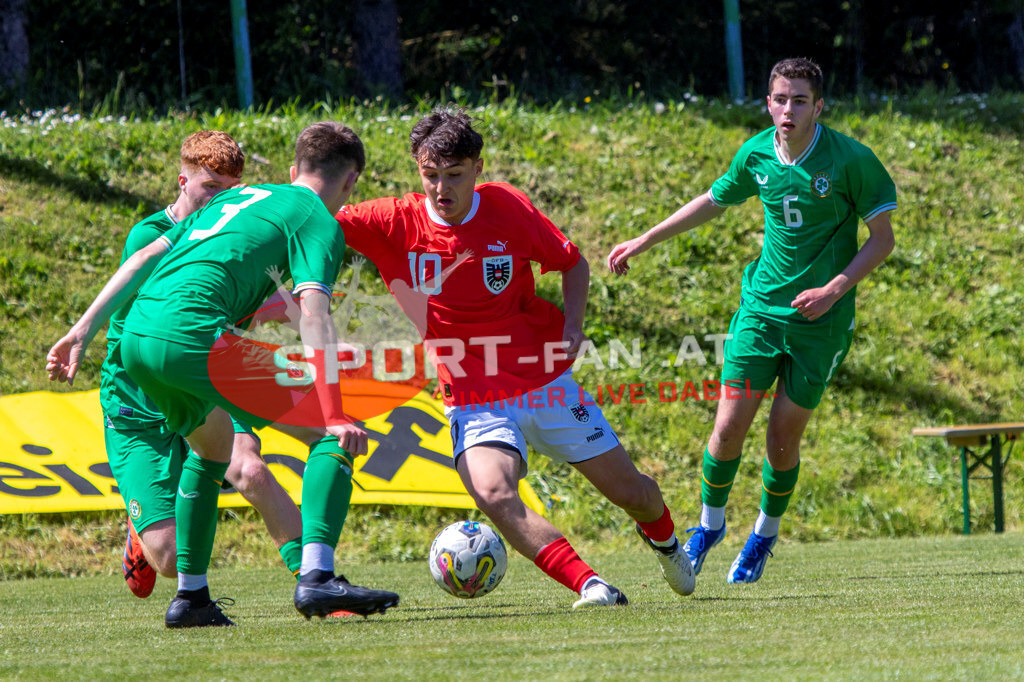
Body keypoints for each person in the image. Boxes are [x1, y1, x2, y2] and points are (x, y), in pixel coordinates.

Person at [337, 105, 695, 609]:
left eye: (454, 175)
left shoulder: (506, 207)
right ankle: (592, 587)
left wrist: (572, 325)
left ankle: (666, 543)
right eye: (430, 175)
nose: (442, 188)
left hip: (545, 382)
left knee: (634, 493)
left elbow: (572, 263)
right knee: (494, 494)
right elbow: (312, 214)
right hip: (474, 397)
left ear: (478, 169)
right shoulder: (392, 221)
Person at [47, 121, 399, 628]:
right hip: (194, 341)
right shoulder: (319, 220)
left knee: (212, 448)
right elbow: (316, 316)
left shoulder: (239, 198)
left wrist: (82, 329)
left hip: (139, 343)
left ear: (294, 169)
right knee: (331, 433)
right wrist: (335, 410)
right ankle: (319, 579)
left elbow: (149, 257)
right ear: (351, 184)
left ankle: (191, 599)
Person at [607, 57, 897, 584]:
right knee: (727, 426)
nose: (789, 110)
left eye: (800, 100)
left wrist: (834, 290)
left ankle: (764, 533)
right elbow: (713, 201)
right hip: (760, 313)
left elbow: (883, 239)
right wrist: (645, 238)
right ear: (768, 102)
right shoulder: (757, 152)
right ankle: (708, 527)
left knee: (782, 438)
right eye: (781, 99)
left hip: (822, 323)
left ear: (819, 106)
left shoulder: (851, 160)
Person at [100, 130, 304, 601]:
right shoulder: (149, 236)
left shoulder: (234, 236)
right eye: (209, 187)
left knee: (250, 471)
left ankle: (317, 579)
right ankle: (141, 532)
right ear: (182, 181)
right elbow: (169, 321)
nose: (220, 199)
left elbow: (260, 299)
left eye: (231, 190)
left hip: (206, 382)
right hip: (141, 401)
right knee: (169, 559)